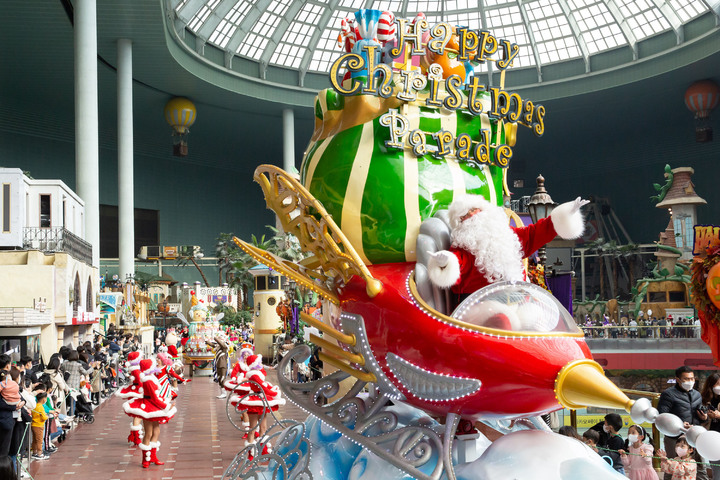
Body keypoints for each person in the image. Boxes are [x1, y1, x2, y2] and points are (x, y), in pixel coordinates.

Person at [427, 195, 588, 298]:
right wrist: (445, 262)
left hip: (517, 298)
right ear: (461, 223)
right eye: (465, 216)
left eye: (474, 210)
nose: (472, 216)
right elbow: (457, 264)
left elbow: (537, 232)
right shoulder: (464, 246)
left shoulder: (509, 235)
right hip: (480, 304)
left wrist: (566, 214)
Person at [122, 359, 176, 468]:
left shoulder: (150, 378)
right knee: (148, 432)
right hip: (149, 406)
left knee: (156, 431)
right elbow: (154, 398)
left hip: (153, 406)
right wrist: (166, 406)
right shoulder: (148, 380)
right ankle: (145, 459)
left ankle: (152, 456)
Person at [658, 366, 708, 480]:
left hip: (695, 436)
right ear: (678, 379)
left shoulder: (697, 395)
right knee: (671, 465)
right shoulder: (668, 394)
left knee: (700, 467)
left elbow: (700, 416)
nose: (690, 381)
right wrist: (680, 425)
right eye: (686, 379)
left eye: (692, 378)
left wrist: (704, 418)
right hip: (675, 438)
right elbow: (662, 416)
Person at [116, 351, 144, 446]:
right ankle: (136, 437)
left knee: (138, 415)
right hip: (138, 392)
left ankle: (135, 435)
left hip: (136, 391)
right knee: (138, 415)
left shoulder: (135, 369)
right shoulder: (136, 370)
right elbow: (140, 382)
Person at [60, 351, 94, 416]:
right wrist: (92, 367)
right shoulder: (78, 365)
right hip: (74, 386)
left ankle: (65, 415)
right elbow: (86, 372)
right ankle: (71, 416)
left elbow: (61, 371)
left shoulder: (64, 363)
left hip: (65, 385)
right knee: (73, 403)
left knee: (66, 402)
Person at [700, 372, 720, 480]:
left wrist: (718, 415)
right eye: (717, 384)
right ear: (710, 385)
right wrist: (706, 417)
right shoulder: (704, 400)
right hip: (712, 440)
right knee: (716, 469)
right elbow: (700, 420)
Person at [30, 391, 49, 460]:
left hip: (33, 425)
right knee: (39, 440)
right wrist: (47, 416)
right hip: (39, 425)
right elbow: (44, 417)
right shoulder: (41, 407)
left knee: (35, 440)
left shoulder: (35, 405)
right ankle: (39, 454)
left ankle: (34, 452)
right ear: (44, 399)